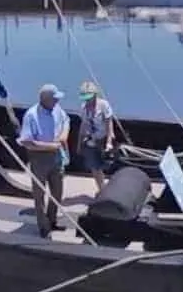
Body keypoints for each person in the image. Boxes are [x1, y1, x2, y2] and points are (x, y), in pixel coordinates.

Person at [18, 84, 70, 238]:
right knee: (39, 194)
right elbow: (27, 142)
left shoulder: (57, 109)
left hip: (56, 156)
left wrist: (63, 136)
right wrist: (51, 146)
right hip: (39, 157)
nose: (57, 101)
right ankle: (43, 227)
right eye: (54, 99)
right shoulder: (31, 115)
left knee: (57, 192)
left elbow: (66, 120)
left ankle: (52, 220)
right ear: (45, 99)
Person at [76, 81, 114, 192]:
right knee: (94, 167)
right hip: (90, 139)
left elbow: (109, 123)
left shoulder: (103, 105)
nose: (87, 100)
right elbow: (83, 126)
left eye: (89, 98)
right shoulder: (83, 108)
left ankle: (106, 187)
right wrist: (79, 144)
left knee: (103, 166)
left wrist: (109, 141)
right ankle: (101, 189)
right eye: (85, 98)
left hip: (102, 138)